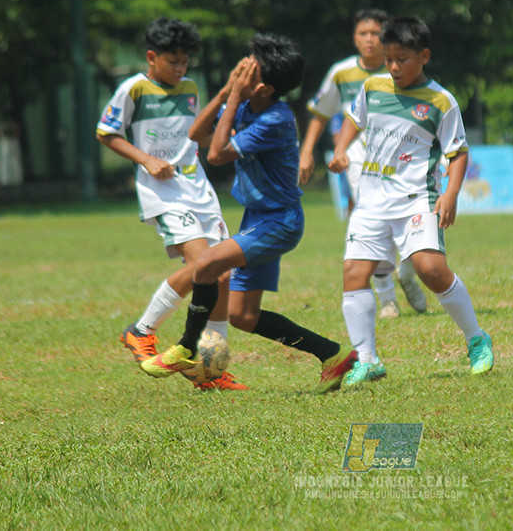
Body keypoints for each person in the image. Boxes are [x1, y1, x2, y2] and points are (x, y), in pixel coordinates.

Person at [141, 33, 357, 393]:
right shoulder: (246, 104)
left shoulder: (276, 118)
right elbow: (197, 134)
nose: (241, 71)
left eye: (248, 70)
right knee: (243, 315)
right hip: (258, 217)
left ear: (265, 88)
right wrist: (227, 93)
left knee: (207, 264)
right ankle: (332, 355)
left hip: (279, 221)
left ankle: (185, 347)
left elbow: (216, 155)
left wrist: (235, 96)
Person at [328, 16, 494, 386]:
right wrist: (341, 150)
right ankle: (368, 359)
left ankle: (476, 338)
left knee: (430, 269)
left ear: (424, 56)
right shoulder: (373, 87)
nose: (393, 66)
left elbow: (458, 152)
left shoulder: (441, 100)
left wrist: (451, 193)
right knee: (354, 275)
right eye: (389, 59)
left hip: (416, 199)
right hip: (370, 200)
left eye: (401, 59)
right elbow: (354, 120)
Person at [97, 16, 244, 391]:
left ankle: (208, 366)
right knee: (204, 267)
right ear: (151, 56)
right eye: (173, 61)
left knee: (223, 276)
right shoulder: (134, 89)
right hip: (163, 194)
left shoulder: (191, 89)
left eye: (185, 62)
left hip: (199, 191)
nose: (180, 69)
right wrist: (146, 159)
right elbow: (106, 132)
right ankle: (141, 330)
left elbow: (196, 134)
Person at [299, 9, 428, 319]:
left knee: (415, 222)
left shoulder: (402, 71)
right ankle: (387, 300)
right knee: (374, 222)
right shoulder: (341, 73)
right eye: (363, 33)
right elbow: (321, 112)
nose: (370, 40)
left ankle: (408, 275)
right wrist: (307, 151)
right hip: (361, 161)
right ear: (354, 39)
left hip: (404, 160)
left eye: (375, 33)